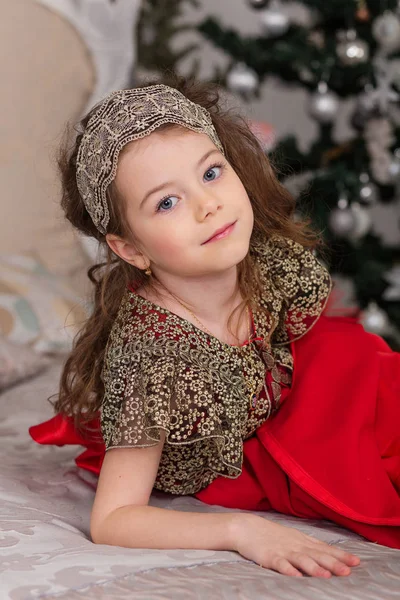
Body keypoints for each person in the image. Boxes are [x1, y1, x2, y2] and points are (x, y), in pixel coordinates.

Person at [29, 75, 400, 579]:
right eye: (167, 202)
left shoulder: (257, 260)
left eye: (211, 173)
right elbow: (114, 519)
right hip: (241, 456)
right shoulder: (152, 360)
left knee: (368, 371)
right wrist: (240, 531)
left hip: (294, 396)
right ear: (131, 249)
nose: (209, 205)